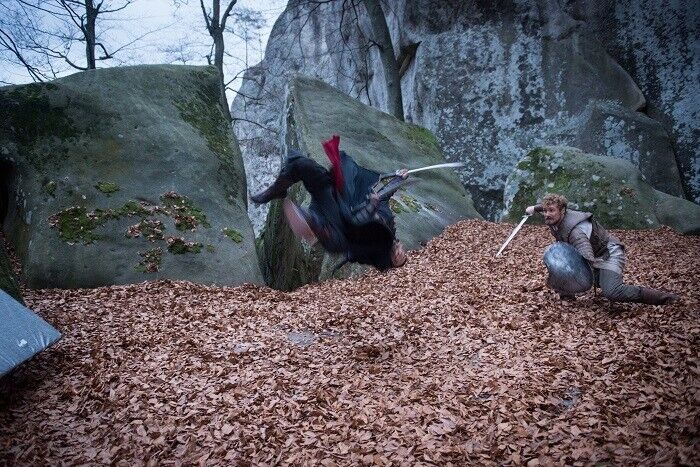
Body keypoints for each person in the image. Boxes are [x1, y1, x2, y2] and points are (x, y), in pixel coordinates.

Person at [250, 136, 408, 271]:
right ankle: (278, 189)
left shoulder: (377, 249)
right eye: (402, 254)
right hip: (335, 198)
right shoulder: (388, 225)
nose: (398, 254)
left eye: (396, 260)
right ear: (402, 246)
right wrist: (399, 178)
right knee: (303, 165)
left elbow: (357, 226)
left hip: (336, 228)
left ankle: (312, 224)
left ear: (389, 262)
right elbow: (385, 194)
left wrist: (371, 207)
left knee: (333, 233)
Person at [526, 193, 679, 305]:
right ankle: (569, 294)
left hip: (608, 253)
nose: (547, 214)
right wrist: (534, 208)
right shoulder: (557, 216)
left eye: (551, 211)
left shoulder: (575, 232)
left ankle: (664, 298)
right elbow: (549, 206)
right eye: (545, 210)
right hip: (594, 254)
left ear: (563, 211)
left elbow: (586, 252)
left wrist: (585, 275)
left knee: (613, 292)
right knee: (562, 259)